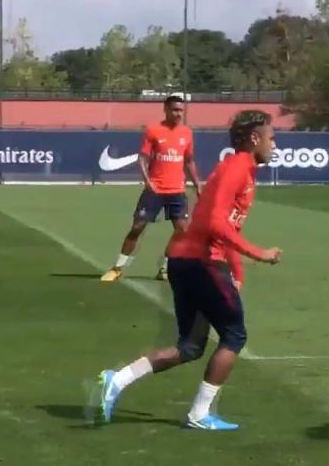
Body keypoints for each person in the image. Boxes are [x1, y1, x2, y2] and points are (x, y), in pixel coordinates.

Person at [96, 110, 283, 430]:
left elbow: (223, 225)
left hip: (189, 261)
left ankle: (119, 379)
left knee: (191, 346)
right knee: (235, 336)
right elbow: (213, 224)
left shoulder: (241, 169)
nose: (274, 144)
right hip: (201, 262)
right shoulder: (238, 168)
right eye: (271, 137)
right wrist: (258, 254)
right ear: (255, 139)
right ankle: (198, 414)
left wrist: (237, 270)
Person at [101, 96, 202, 282]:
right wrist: (147, 180)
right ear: (166, 109)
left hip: (177, 190)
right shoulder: (154, 130)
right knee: (137, 227)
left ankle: (164, 267)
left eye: (181, 110)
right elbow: (143, 157)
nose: (178, 113)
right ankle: (118, 267)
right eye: (174, 110)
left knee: (182, 231)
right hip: (155, 190)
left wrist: (197, 185)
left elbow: (189, 161)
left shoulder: (187, 133)